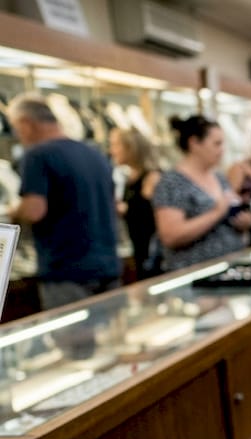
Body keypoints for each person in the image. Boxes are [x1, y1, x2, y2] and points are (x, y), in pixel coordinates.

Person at [7, 92, 122, 311]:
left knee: (72, 341)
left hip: (67, 270)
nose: (18, 134)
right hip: (107, 265)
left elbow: (34, 210)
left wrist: (14, 212)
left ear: (26, 123)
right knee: (110, 340)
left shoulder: (37, 156)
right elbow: (115, 205)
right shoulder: (94, 153)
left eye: (16, 127)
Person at [152, 115, 251, 271]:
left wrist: (242, 222)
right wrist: (216, 213)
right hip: (194, 276)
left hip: (230, 268)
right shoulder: (172, 182)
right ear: (194, 143)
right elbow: (171, 236)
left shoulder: (219, 177)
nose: (222, 150)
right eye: (216, 144)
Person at [108, 126, 162, 279]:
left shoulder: (152, 177)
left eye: (115, 145)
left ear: (130, 148)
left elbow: (149, 216)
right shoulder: (129, 178)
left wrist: (125, 209)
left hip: (151, 254)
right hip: (138, 249)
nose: (112, 151)